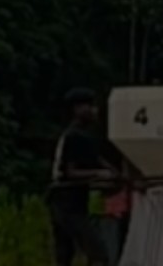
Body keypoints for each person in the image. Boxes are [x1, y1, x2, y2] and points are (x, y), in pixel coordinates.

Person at [47, 88, 114, 266]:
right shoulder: (75, 137)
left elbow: (97, 161)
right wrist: (100, 175)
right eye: (89, 106)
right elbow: (70, 172)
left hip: (66, 202)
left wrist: (113, 173)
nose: (94, 111)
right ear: (77, 110)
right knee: (98, 253)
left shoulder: (79, 136)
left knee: (65, 255)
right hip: (67, 202)